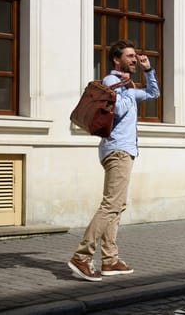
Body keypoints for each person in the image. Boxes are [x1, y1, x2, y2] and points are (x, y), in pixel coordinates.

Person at [68, 39, 160, 282]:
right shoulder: (112, 82)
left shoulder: (126, 86)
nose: (134, 60)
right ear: (116, 60)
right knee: (110, 205)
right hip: (117, 150)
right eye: (130, 56)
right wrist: (128, 89)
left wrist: (148, 71)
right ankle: (82, 256)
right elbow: (118, 111)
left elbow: (153, 93)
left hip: (123, 150)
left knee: (117, 206)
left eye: (135, 56)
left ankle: (110, 260)